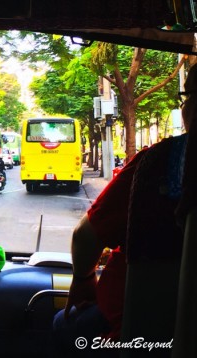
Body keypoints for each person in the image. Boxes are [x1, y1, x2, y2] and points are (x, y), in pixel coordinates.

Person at [53, 64, 197, 357]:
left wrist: (83, 280)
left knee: (64, 325)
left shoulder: (158, 163)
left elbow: (86, 236)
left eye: (186, 97)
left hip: (134, 331)